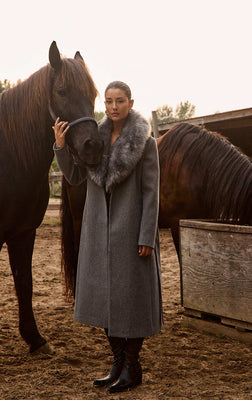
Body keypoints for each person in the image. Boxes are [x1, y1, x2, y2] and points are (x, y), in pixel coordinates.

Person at [53, 81, 162, 393]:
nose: (114, 107)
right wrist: (61, 146)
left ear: (130, 102)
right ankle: (117, 362)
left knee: (133, 300)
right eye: (109, 101)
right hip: (97, 232)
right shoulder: (94, 141)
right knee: (103, 299)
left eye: (120, 101)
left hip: (132, 233)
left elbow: (151, 193)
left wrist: (146, 236)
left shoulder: (146, 143)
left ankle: (133, 365)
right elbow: (74, 176)